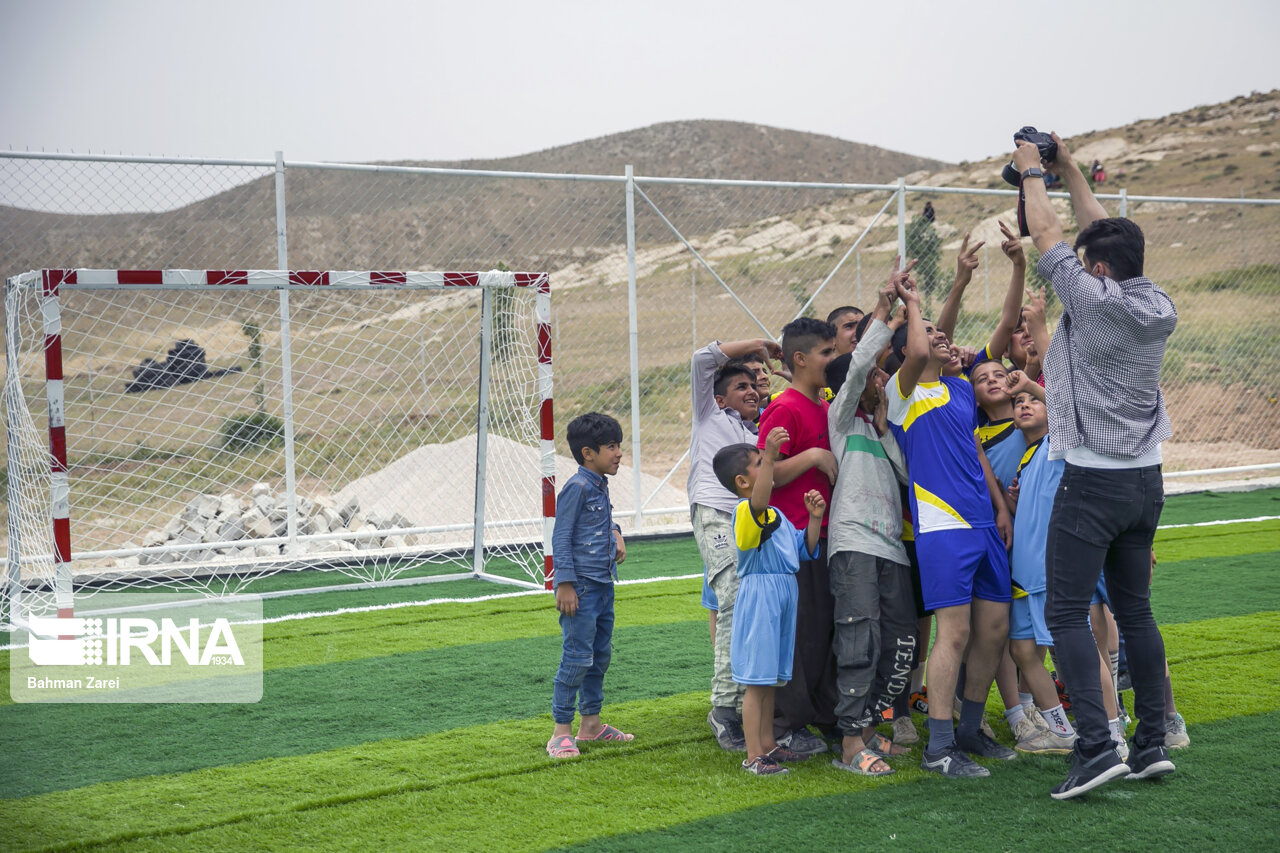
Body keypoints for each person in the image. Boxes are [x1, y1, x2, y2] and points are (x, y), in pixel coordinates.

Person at [1015, 131, 1178, 799]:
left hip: (1092, 481)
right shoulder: (1155, 301)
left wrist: (1031, 171)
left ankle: (1093, 745)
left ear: (1098, 272)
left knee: (1065, 612)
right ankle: (1149, 743)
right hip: (1147, 480)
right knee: (1136, 612)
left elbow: (1050, 230)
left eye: (1088, 265)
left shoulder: (1092, 298)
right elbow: (1098, 234)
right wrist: (1070, 166)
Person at [886, 264, 1016, 779]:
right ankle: (939, 747)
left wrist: (1001, 508)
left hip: (984, 524)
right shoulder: (905, 394)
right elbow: (919, 349)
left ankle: (969, 731)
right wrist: (913, 303)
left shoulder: (961, 388)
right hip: (941, 527)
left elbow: (976, 455)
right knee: (954, 635)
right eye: (930, 334)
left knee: (994, 631)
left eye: (944, 335)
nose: (942, 339)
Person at [825, 273, 917, 776]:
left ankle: (872, 727)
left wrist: (886, 430)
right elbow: (860, 364)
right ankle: (849, 744)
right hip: (854, 544)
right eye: (875, 378)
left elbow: (908, 478)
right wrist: (884, 312)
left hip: (892, 551)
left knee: (901, 642)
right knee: (859, 640)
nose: (881, 380)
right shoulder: (840, 421)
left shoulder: (881, 431)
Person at [713, 431, 825, 775]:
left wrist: (815, 519)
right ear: (743, 482)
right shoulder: (747, 512)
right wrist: (774, 455)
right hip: (761, 596)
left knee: (771, 680)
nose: (769, 466)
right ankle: (753, 755)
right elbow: (758, 505)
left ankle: (767, 745)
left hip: (783, 593)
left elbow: (803, 549)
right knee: (756, 681)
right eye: (760, 464)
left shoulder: (776, 513)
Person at [688, 339, 781, 751]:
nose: (750, 392)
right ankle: (725, 707)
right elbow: (702, 359)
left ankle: (747, 702)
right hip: (716, 513)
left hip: (751, 519)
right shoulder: (709, 414)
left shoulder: (757, 432)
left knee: (753, 603)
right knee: (735, 598)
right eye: (740, 387)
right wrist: (759, 345)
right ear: (720, 396)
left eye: (753, 386)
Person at [756, 316, 839, 755]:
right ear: (801, 360)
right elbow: (761, 477)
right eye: (826, 353)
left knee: (821, 629)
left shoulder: (825, 403)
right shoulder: (785, 407)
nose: (833, 359)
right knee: (799, 633)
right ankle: (787, 724)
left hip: (822, 536)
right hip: (791, 542)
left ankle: (821, 715)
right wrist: (810, 456)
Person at [546, 413, 633, 758]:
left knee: (599, 656)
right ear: (588, 453)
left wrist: (617, 534)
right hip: (579, 588)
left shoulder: (599, 484)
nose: (618, 453)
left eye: (619, 446)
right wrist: (564, 583)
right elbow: (561, 536)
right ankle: (560, 732)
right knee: (577, 658)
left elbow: (605, 515)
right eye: (611, 447)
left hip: (603, 585)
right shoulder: (576, 487)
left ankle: (592, 726)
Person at [1003, 386, 1079, 755]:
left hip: (1051, 572)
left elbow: (1065, 405)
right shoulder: (1028, 458)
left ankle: (1111, 730)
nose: (1025, 405)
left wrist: (1030, 382)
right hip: (1024, 575)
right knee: (1023, 651)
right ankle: (1061, 730)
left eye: (1034, 400)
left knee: (1075, 650)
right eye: (1018, 402)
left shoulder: (1058, 442)